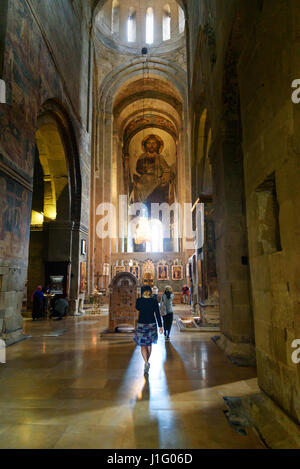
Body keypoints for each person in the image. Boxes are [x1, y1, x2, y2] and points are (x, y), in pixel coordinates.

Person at [134, 285, 163, 375]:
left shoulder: (139, 301)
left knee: (143, 345)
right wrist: (160, 326)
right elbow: (157, 314)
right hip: (152, 324)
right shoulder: (154, 301)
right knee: (149, 344)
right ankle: (147, 362)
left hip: (142, 324)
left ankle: (146, 362)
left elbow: (137, 308)